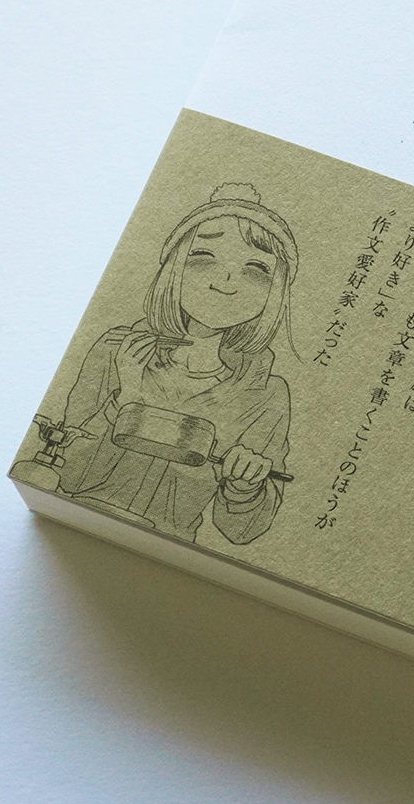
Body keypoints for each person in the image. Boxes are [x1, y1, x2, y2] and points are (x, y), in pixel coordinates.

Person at [42, 182, 298, 547]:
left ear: (275, 291)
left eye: (256, 268)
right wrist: (126, 397)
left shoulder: (266, 394)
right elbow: (62, 467)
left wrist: (245, 488)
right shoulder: (116, 350)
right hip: (75, 527)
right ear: (174, 268)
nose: (226, 280)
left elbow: (242, 532)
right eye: (203, 257)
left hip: (169, 546)